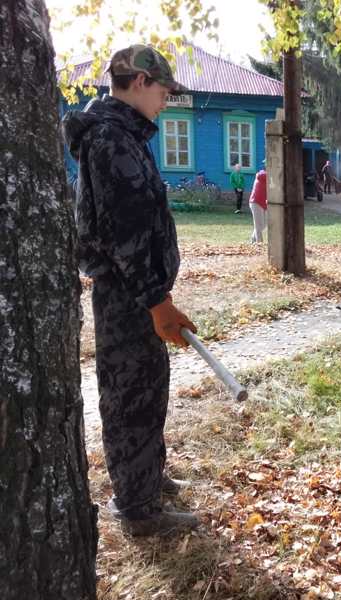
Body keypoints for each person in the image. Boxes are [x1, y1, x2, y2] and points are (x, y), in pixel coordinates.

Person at [62, 44, 199, 536]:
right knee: (131, 397)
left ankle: (147, 480)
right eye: (164, 90)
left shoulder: (123, 135)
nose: (166, 100)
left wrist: (157, 296)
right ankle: (138, 511)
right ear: (140, 81)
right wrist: (157, 300)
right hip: (128, 296)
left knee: (149, 387)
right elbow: (125, 232)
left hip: (139, 293)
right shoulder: (111, 141)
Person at [249, 167, 268, 243]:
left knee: (264, 225)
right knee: (258, 226)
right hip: (256, 202)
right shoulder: (261, 174)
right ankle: (259, 245)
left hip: (264, 203)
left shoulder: (271, 178)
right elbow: (260, 175)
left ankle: (253, 240)